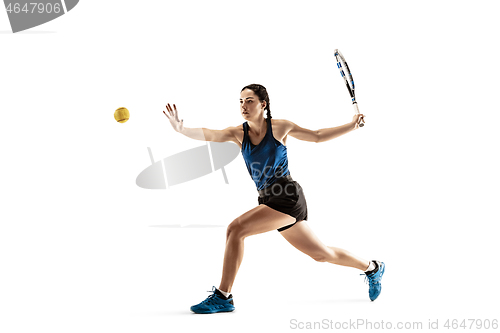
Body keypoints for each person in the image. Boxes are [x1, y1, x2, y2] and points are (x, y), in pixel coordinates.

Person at [163, 84, 385, 314]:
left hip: (287, 196)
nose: (244, 106)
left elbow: (317, 136)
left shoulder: (280, 127)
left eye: (249, 101)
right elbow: (210, 134)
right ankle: (373, 268)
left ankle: (223, 296)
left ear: (263, 104)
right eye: (240, 101)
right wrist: (181, 129)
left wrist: (351, 125)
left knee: (235, 229)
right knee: (321, 254)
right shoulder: (238, 133)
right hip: (269, 200)